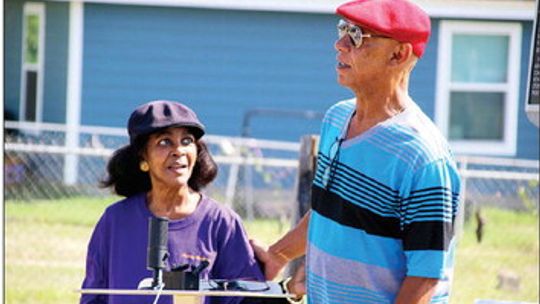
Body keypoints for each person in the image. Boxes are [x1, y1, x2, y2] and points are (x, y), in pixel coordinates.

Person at [252, 0, 462, 303]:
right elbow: (329, 212)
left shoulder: (422, 157)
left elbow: (425, 276)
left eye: (358, 35)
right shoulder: (336, 119)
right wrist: (278, 255)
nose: (340, 44)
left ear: (398, 54)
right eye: (342, 30)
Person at [81, 100, 291, 304]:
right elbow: (93, 296)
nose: (179, 150)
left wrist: (290, 291)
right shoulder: (116, 220)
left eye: (187, 141)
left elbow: (245, 299)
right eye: (164, 141)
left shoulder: (221, 222)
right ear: (142, 157)